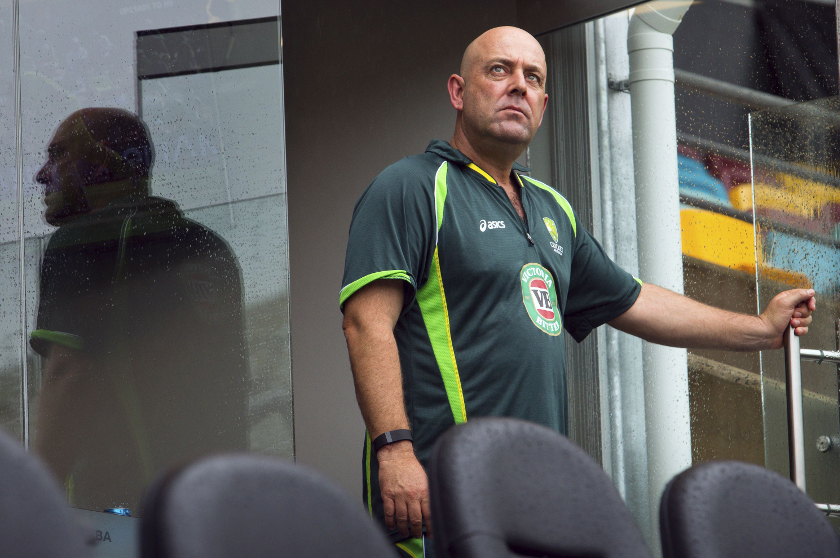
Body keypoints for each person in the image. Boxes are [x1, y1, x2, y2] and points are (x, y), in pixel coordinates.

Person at [340, 27, 815, 557]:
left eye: (533, 77)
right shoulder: (410, 187)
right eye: (500, 70)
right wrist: (394, 452)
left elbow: (634, 301)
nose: (518, 85)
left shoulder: (553, 211)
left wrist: (759, 328)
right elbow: (366, 324)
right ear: (458, 90)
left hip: (535, 503)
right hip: (436, 496)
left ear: (544, 104)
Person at [31, 107, 248, 514]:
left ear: (101, 164)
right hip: (221, 510)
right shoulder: (210, 246)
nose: (43, 174)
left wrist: (26, 503)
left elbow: (67, 378)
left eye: (59, 154)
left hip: (130, 519)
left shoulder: (85, 242)